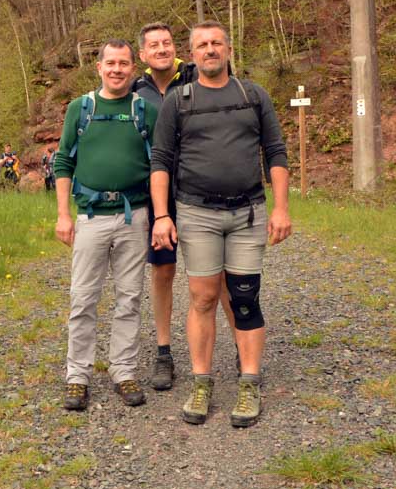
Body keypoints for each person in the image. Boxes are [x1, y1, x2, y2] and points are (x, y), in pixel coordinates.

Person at [150, 21, 291, 428]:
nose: (209, 50)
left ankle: (249, 382)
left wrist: (281, 209)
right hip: (197, 213)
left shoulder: (253, 95)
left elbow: (275, 152)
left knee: (245, 298)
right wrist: (162, 216)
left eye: (216, 43)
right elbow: (161, 160)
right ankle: (202, 382)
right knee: (203, 298)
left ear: (228, 49)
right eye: (201, 45)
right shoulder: (178, 101)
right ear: (191, 55)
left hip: (247, 213)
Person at [53, 39, 158, 410]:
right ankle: (77, 376)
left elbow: (159, 165)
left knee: (130, 298)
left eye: (123, 63)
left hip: (135, 216)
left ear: (133, 68)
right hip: (90, 216)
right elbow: (63, 161)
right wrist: (63, 215)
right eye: (110, 63)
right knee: (83, 298)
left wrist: (161, 216)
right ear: (99, 67)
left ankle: (123, 371)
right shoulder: (80, 109)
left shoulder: (145, 111)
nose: (117, 69)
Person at [131, 22, 197, 392]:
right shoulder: (134, 90)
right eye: (154, 45)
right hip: (156, 196)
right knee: (163, 272)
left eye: (167, 43)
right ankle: (163, 352)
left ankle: (240, 346)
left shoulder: (195, 78)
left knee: (214, 276)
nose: (161, 49)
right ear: (143, 54)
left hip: (198, 191)